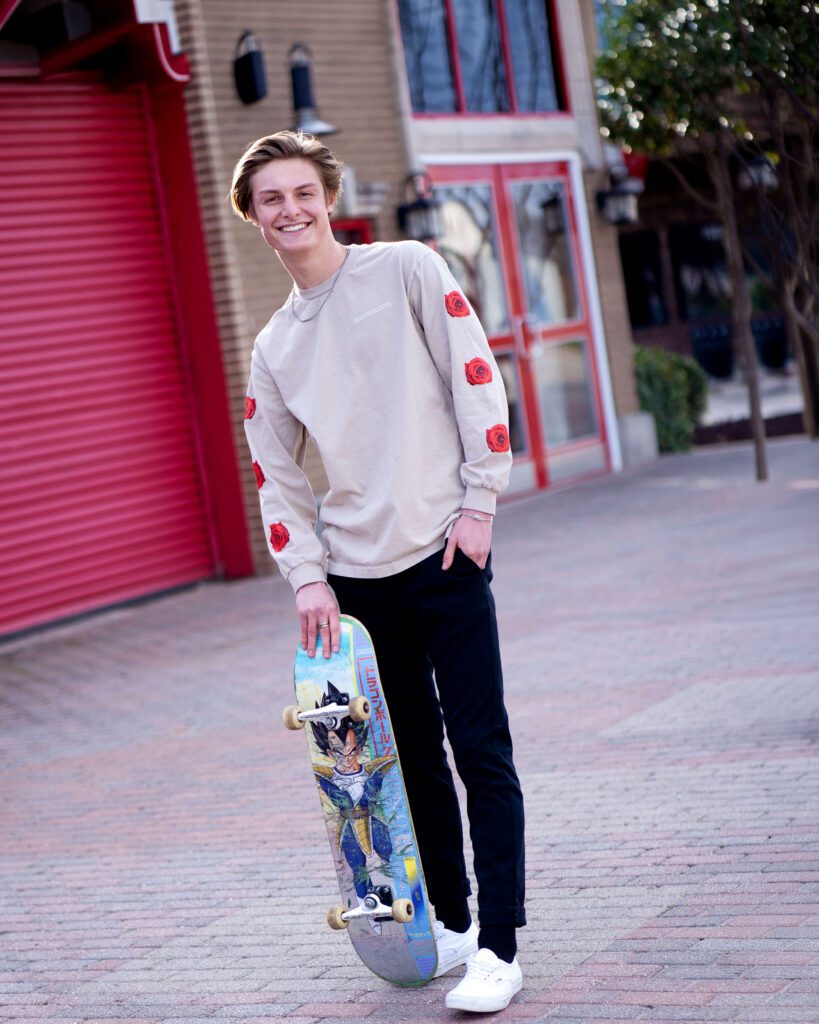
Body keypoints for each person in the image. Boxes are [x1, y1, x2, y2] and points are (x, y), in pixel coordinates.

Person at [230, 130, 525, 1014]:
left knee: (481, 751)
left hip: (443, 548)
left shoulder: (407, 270)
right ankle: (456, 925)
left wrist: (479, 504)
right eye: (270, 199)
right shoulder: (274, 347)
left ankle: (503, 948)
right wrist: (307, 578)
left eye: (302, 191)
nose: (291, 209)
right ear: (254, 219)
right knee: (410, 765)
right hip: (357, 583)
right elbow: (274, 475)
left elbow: (477, 379)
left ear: (328, 195)